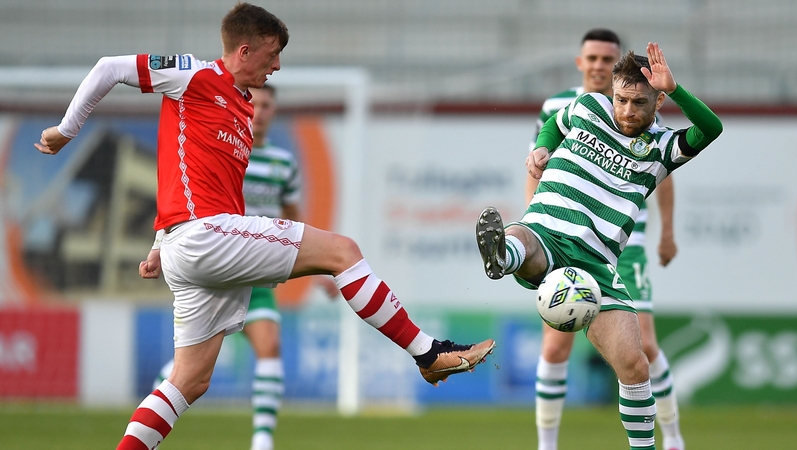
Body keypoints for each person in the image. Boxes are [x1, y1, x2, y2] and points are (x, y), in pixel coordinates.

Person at [34, 4, 495, 449]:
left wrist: (159, 242)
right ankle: (428, 353)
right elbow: (109, 67)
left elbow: (183, 174)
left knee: (189, 381)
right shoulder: (194, 75)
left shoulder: (240, 107)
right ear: (245, 51)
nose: (277, 66)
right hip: (204, 237)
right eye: (272, 55)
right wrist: (66, 130)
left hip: (190, 245)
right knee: (343, 252)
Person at [476, 42, 722, 450]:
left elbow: (711, 129)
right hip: (548, 229)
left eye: (639, 102)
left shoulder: (662, 149)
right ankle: (503, 255)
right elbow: (554, 123)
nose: (627, 111)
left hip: (597, 264)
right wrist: (542, 147)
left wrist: (676, 88)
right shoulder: (590, 107)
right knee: (522, 236)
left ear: (658, 101)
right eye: (621, 99)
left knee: (635, 364)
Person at [149, 83, 338, 450]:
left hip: (257, 274)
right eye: (256, 104)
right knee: (188, 371)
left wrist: (319, 268)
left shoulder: (283, 164)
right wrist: (159, 245)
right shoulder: (225, 151)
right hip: (219, 267)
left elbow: (294, 220)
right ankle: (151, 419)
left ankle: (262, 441)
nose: (260, 112)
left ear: (274, 111)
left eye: (268, 105)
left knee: (270, 345)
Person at [526, 30, 684, 450]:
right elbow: (538, 163)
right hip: (564, 233)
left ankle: (672, 438)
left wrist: (667, 231)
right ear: (580, 63)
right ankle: (546, 445)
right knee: (555, 347)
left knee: (644, 345)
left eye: (606, 58)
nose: (598, 65)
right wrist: (535, 226)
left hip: (623, 242)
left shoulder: (642, 110)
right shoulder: (560, 106)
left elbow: (665, 174)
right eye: (592, 58)